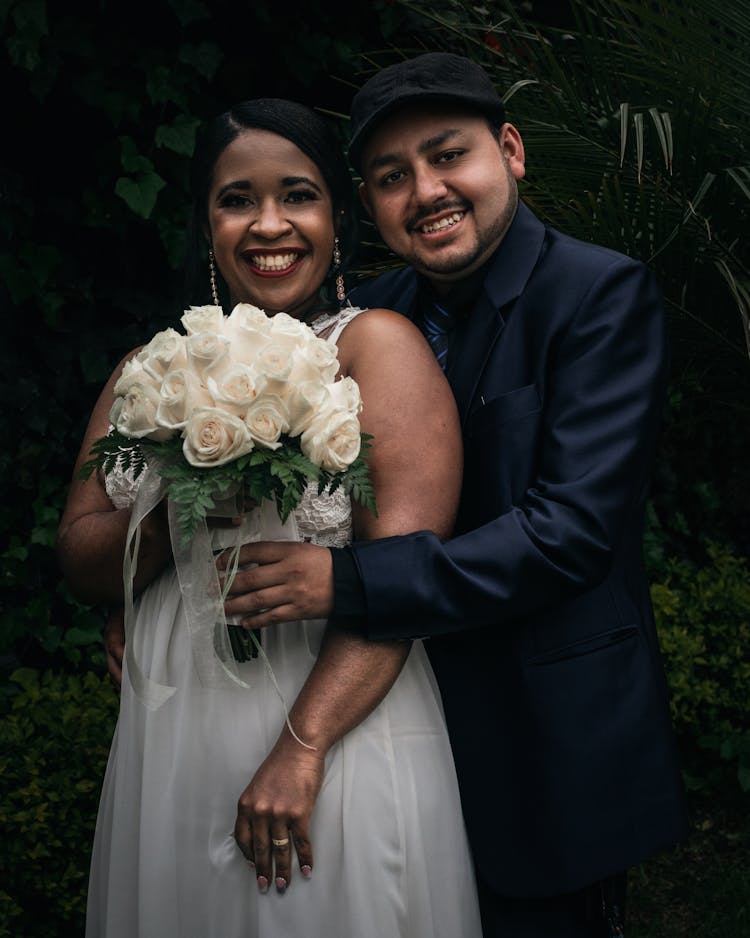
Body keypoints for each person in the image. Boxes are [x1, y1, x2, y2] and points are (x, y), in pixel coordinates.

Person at [221, 55, 690, 937]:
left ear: (509, 151)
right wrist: (161, 582)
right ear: (370, 204)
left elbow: (569, 533)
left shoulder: (599, 295)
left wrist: (349, 583)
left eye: (448, 157)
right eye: (393, 177)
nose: (427, 191)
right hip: (391, 733)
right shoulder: (371, 321)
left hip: (543, 742)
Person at [56, 97, 483, 938]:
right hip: (176, 732)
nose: (269, 224)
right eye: (237, 199)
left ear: (335, 216)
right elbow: (79, 555)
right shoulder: (152, 371)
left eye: (298, 194)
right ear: (206, 224)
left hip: (331, 722)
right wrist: (185, 513)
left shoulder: (376, 345)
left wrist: (303, 746)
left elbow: (404, 580)